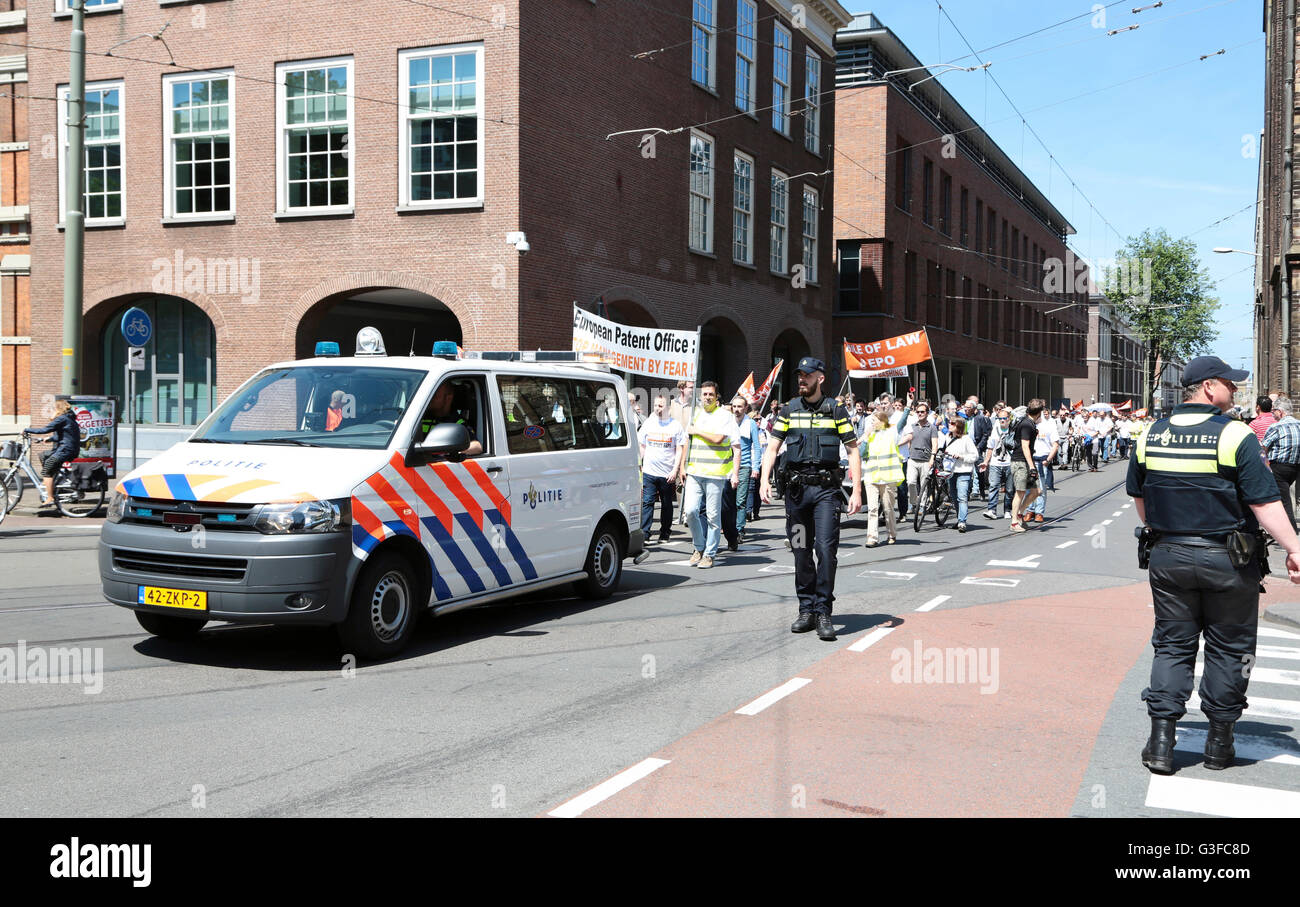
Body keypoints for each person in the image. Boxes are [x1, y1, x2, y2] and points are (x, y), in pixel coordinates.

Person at [1129, 356, 1300, 775]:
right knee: (1230, 648)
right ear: (1208, 387)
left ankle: (1162, 744)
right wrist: (1294, 547)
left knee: (1172, 644)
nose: (1235, 389)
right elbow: (1264, 502)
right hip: (1228, 559)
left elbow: (1140, 500)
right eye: (1228, 382)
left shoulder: (1150, 433)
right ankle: (1219, 744)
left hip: (1168, 556)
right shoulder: (1235, 436)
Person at [760, 357, 861, 641]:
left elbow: (853, 450)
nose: (801, 379)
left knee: (826, 551)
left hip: (827, 493)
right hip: (797, 493)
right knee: (801, 551)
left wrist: (857, 490)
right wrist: (764, 479)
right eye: (799, 375)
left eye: (807, 375)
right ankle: (807, 609)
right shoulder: (789, 410)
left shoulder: (836, 410)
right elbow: (772, 448)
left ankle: (824, 610)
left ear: (820, 378)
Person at [683, 381, 740, 569]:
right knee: (690, 511)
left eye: (711, 394)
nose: (707, 397)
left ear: (717, 397)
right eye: (705, 394)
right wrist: (683, 466)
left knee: (713, 516)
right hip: (694, 471)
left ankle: (709, 553)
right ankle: (699, 547)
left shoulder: (725, 415)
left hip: (715, 473)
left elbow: (717, 439)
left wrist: (696, 431)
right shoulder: (695, 413)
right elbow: (687, 441)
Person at [637, 395, 685, 544]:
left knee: (666, 503)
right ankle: (645, 533)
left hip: (667, 472)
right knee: (647, 502)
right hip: (649, 471)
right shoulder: (648, 424)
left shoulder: (675, 426)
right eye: (656, 405)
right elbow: (642, 445)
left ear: (668, 408)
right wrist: (640, 465)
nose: (657, 409)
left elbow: (679, 449)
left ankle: (665, 533)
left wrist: (675, 470)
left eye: (661, 406)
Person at [23, 399, 81, 511]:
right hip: (69, 449)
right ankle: (51, 481)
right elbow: (66, 435)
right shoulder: (69, 418)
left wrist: (27, 430)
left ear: (58, 409)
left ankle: (50, 498)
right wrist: (49, 439)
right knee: (44, 455)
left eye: (54, 408)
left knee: (46, 470)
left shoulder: (62, 418)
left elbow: (45, 429)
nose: (52, 411)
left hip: (66, 450)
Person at [721, 395, 761, 549]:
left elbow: (756, 447)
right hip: (726, 467)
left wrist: (755, 467)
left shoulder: (750, 424)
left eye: (740, 407)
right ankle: (729, 528)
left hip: (744, 466)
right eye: (734, 406)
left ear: (745, 408)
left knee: (740, 501)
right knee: (727, 502)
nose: (736, 409)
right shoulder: (727, 421)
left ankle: (739, 530)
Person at [860, 409, 903, 547]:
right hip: (871, 477)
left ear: (882, 421)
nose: (871, 423)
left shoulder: (891, 432)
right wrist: (866, 437)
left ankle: (892, 533)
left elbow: (901, 423)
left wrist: (907, 408)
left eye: (873, 421)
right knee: (872, 509)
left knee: (888, 508)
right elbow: (861, 452)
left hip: (887, 477)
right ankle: (872, 537)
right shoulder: (869, 435)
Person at [1263, 396, 1300, 530]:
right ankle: (1288, 526)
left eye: (1273, 411)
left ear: (1280, 411)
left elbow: (1262, 449)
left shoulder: (1276, 427)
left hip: (1278, 467)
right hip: (1295, 467)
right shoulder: (1299, 425)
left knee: (1282, 501)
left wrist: (1265, 467)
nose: (1272, 414)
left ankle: (1289, 530)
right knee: (1289, 497)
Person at [418, 381, 483, 456]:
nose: (429, 398)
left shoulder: (458, 423)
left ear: (448, 398)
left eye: (435, 395)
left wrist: (450, 452)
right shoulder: (420, 417)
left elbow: (477, 447)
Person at [899, 400, 938, 521]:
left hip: (926, 460)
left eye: (922, 412)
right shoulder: (912, 426)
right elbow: (909, 440)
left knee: (923, 485)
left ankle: (922, 506)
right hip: (913, 459)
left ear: (927, 413)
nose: (920, 414)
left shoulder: (932, 427)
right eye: (918, 412)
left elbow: (935, 444)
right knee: (910, 482)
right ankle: (914, 502)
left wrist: (932, 458)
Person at [940, 419, 979, 532]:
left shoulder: (966, 439)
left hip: (963, 471)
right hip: (951, 471)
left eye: (953, 424)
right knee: (954, 497)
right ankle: (959, 519)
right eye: (950, 423)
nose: (950, 425)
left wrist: (961, 457)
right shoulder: (948, 437)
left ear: (959, 426)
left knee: (962, 497)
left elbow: (974, 456)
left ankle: (962, 522)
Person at [1008, 401, 1042, 532]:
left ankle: (1019, 513)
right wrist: (1032, 466)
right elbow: (1025, 446)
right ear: (1038, 413)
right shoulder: (1027, 424)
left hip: (1026, 461)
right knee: (1020, 492)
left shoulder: (1030, 423)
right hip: (1020, 461)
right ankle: (1014, 522)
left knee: (1036, 491)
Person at [1025, 404, 1060, 524]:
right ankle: (1030, 510)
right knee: (1030, 487)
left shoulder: (1050, 426)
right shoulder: (1030, 424)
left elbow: (1055, 444)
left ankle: (1039, 512)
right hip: (1031, 459)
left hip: (1042, 460)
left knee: (1040, 488)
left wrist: (1048, 460)